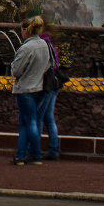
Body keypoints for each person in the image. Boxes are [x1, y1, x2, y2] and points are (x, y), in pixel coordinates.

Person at [10, 16, 49, 166]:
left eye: (21, 30)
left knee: (29, 122)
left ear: (26, 30)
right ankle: (20, 156)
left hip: (25, 89)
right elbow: (48, 66)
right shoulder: (45, 45)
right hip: (39, 88)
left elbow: (16, 71)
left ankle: (36, 155)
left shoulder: (26, 48)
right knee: (27, 122)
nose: (21, 32)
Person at [37, 21, 62, 161]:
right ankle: (53, 149)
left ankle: (34, 149)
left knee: (39, 117)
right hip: (54, 84)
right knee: (48, 118)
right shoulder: (49, 42)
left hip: (47, 85)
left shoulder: (42, 43)